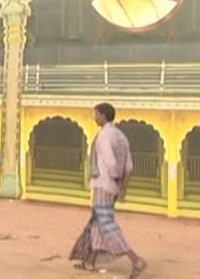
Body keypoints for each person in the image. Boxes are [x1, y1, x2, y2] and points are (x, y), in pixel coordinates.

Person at [69, 102, 147, 277]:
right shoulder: (121, 136)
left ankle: (136, 260)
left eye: (96, 114)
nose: (95, 117)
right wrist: (122, 187)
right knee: (97, 221)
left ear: (103, 116)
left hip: (104, 184)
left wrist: (113, 177)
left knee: (106, 223)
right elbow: (128, 167)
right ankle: (90, 261)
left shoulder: (104, 137)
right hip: (113, 186)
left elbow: (111, 164)